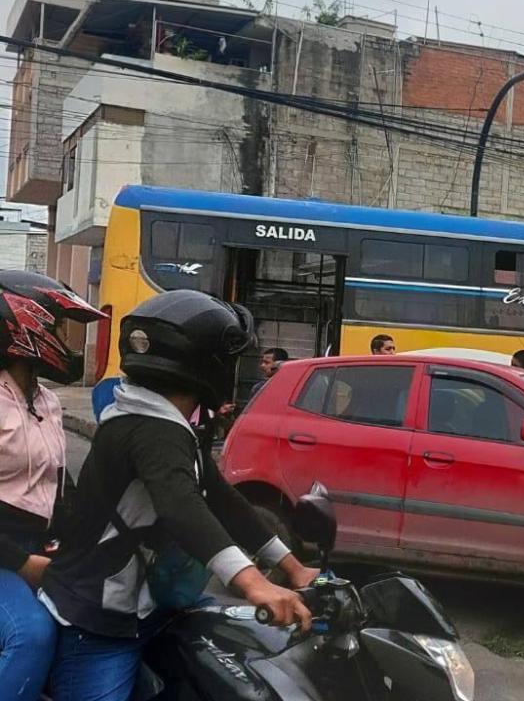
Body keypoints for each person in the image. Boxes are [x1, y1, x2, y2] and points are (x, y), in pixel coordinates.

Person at [41, 290, 320, 701]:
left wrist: (294, 568)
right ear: (208, 364)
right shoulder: (151, 430)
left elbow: (224, 502)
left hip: (149, 609)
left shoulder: (162, 424)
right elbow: (181, 506)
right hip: (97, 622)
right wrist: (254, 584)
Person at [0, 271, 105, 701]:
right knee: (32, 636)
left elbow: (63, 489)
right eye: (60, 328)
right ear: (28, 326)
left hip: (39, 549)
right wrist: (21, 561)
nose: (67, 340)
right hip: (7, 553)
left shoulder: (46, 401)